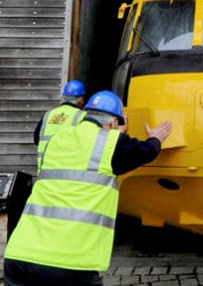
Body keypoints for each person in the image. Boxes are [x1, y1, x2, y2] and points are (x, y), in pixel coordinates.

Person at [3, 90, 172, 286]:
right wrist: (156, 138)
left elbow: (87, 153)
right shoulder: (111, 143)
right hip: (68, 262)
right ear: (113, 123)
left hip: (20, 255)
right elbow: (144, 151)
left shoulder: (57, 140)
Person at [34, 79, 87, 174]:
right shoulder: (82, 116)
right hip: (66, 175)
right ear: (81, 100)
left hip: (43, 174)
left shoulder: (48, 115)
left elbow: (36, 139)